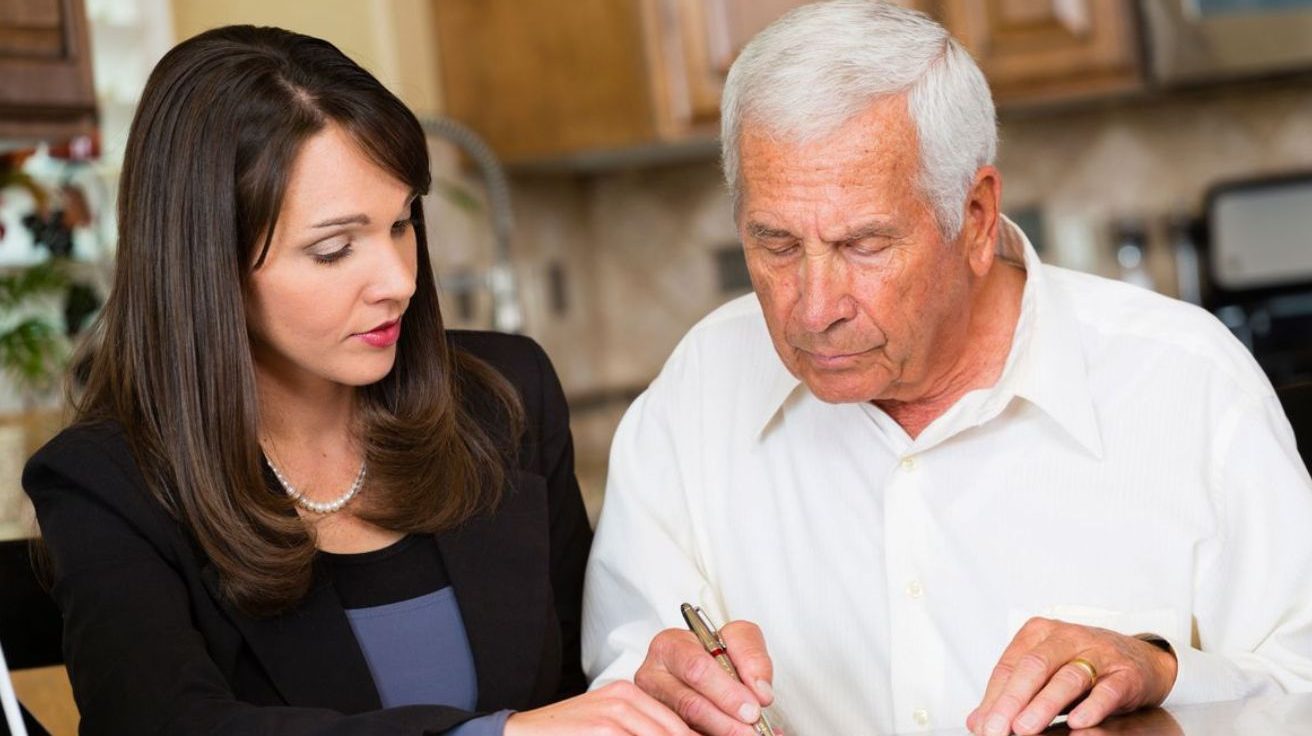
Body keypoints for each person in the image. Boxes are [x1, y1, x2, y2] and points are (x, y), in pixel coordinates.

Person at [580, 2, 1312, 735]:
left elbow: (1301, 686)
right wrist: (662, 692)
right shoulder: (699, 391)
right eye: (775, 245)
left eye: (863, 245)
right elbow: (626, 683)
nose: (813, 309)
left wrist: (1164, 672)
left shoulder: (1186, 382)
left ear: (977, 216)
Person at [22, 25, 692, 736]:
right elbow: (168, 725)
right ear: (207, 267)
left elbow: (580, 685)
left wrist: (654, 673)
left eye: (402, 224)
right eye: (335, 249)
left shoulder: (506, 397)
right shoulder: (105, 483)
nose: (400, 282)